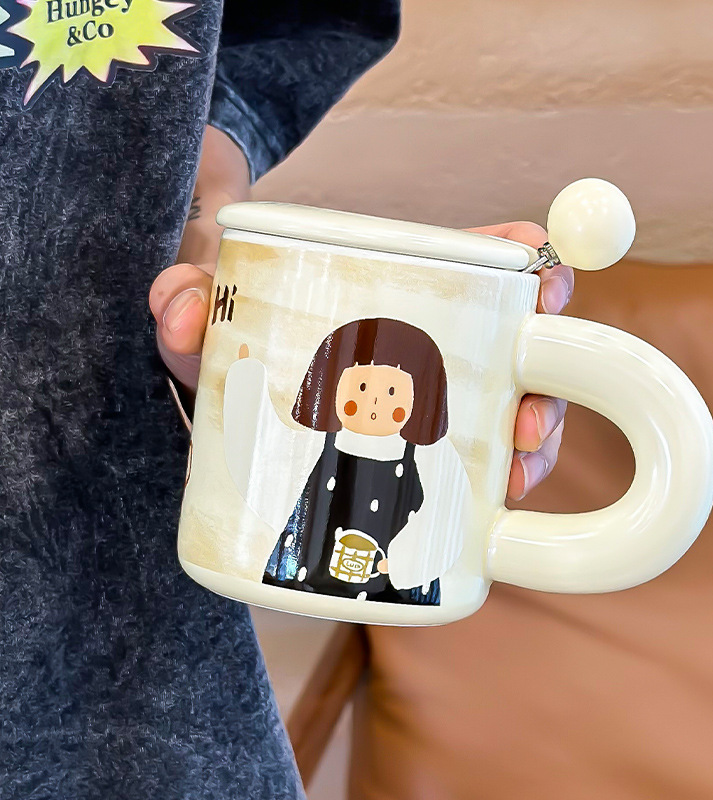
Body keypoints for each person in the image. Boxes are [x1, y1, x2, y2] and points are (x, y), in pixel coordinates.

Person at [0, 2, 572, 798]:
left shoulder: (405, 465)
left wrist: (187, 212)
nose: (376, 403)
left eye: (393, 393)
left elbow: (298, 23)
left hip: (98, 648)